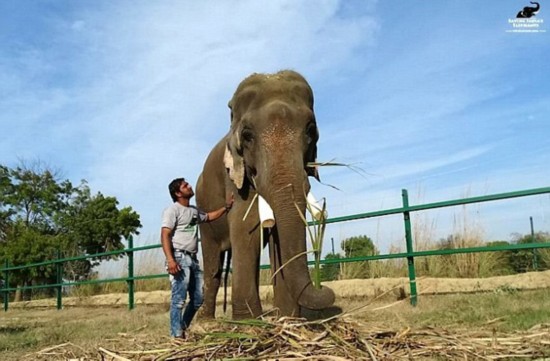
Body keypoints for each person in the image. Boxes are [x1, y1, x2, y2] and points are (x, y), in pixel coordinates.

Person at [161, 177, 233, 339]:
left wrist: (226, 208)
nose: (189, 186)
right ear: (178, 193)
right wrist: (171, 259)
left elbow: (208, 217)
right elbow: (165, 234)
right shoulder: (173, 210)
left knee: (198, 298)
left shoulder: (193, 211)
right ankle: (176, 335)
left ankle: (182, 328)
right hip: (179, 257)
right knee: (179, 299)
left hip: (192, 259)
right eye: (185, 186)